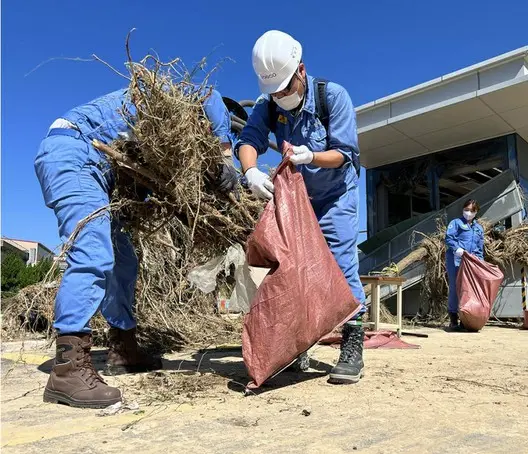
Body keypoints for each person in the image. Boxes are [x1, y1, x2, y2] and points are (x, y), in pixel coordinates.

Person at [34, 87, 236, 408]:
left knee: (124, 262)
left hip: (99, 171)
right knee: (93, 250)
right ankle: (67, 369)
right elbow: (211, 94)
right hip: (76, 153)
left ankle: (123, 347)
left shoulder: (153, 140)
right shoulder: (168, 100)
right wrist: (225, 152)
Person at [235, 30, 365, 384]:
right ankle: (298, 346)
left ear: (301, 72)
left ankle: (353, 346)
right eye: (274, 92)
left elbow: (345, 154)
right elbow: (248, 140)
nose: (281, 96)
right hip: (298, 201)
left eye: (285, 89)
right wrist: (249, 171)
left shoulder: (332, 97)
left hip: (335, 195)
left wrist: (312, 157)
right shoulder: (269, 106)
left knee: (340, 263)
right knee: (292, 268)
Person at [444, 199, 485, 331]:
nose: (468, 213)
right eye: (466, 209)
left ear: (476, 212)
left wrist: (480, 262)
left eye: (471, 211)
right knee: (456, 287)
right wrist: (457, 248)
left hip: (471, 263)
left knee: (468, 289)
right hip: (455, 260)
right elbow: (449, 238)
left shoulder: (478, 228)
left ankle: (465, 319)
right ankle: (453, 318)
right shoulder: (456, 223)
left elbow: (479, 248)